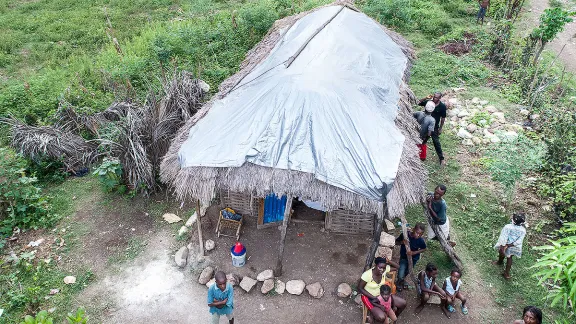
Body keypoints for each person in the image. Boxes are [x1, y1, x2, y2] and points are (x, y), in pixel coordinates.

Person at [358, 257, 407, 323]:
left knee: (403, 303)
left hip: (383, 295)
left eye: (384, 268)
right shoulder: (367, 275)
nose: (382, 270)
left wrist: (389, 261)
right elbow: (360, 288)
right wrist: (373, 297)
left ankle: (393, 318)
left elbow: (398, 267)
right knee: (381, 317)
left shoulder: (384, 270)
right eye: (380, 267)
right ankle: (375, 317)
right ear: (375, 265)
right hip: (370, 297)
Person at [492, 212, 527, 279]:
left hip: (505, 244)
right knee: (509, 257)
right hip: (514, 246)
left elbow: (503, 237)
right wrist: (510, 245)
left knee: (501, 253)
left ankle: (499, 262)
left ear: (513, 220)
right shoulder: (523, 230)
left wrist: (503, 246)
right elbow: (519, 241)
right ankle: (507, 273)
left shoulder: (508, 227)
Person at [395, 223, 427, 291]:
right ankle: (399, 281)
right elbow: (396, 242)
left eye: (420, 234)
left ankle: (401, 281)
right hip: (404, 258)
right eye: (417, 232)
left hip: (413, 259)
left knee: (408, 271)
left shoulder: (420, 240)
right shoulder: (405, 235)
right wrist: (402, 242)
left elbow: (424, 249)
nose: (418, 235)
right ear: (413, 229)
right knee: (401, 273)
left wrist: (414, 252)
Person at [418, 92, 447, 166]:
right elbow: (418, 102)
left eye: (436, 97)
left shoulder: (442, 106)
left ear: (440, 98)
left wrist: (440, 128)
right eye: (434, 97)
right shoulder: (429, 103)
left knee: (436, 142)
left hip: (434, 127)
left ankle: (441, 159)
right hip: (425, 125)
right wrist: (425, 98)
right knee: (422, 141)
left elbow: (443, 118)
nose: (434, 98)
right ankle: (421, 156)